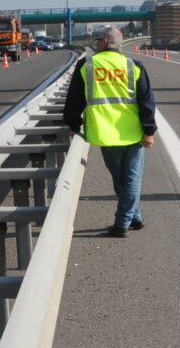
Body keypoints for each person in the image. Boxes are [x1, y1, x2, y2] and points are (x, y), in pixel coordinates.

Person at [63, 26, 156, 237]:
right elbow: (147, 101)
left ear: (105, 41)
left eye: (97, 40)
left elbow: (74, 99)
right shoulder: (133, 65)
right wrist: (149, 130)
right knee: (129, 180)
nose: (95, 43)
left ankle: (123, 223)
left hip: (104, 131)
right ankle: (135, 217)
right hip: (133, 131)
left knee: (122, 180)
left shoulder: (86, 65)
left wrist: (73, 125)